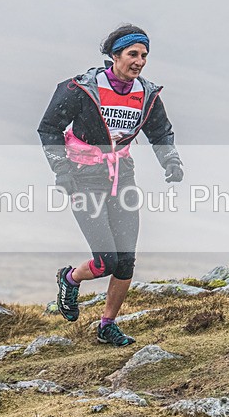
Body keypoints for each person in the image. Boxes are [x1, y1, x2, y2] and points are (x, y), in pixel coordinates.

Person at [38, 24, 183, 346]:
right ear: (115, 55)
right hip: (83, 177)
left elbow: (160, 133)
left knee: (126, 259)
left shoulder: (146, 93)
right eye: (133, 54)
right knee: (105, 261)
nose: (140, 61)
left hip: (123, 176)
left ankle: (107, 324)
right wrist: (61, 170)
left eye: (144, 55)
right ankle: (70, 278)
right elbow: (49, 129)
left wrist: (171, 161)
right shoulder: (80, 88)